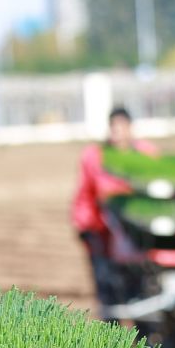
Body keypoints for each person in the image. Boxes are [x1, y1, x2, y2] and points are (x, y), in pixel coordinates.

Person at [70, 106, 158, 313]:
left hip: (138, 233)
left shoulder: (146, 153)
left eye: (122, 127)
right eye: (113, 127)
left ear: (130, 128)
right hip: (102, 232)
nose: (117, 132)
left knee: (140, 289)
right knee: (108, 290)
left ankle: (143, 337)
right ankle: (114, 337)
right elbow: (85, 194)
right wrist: (85, 228)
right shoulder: (95, 156)